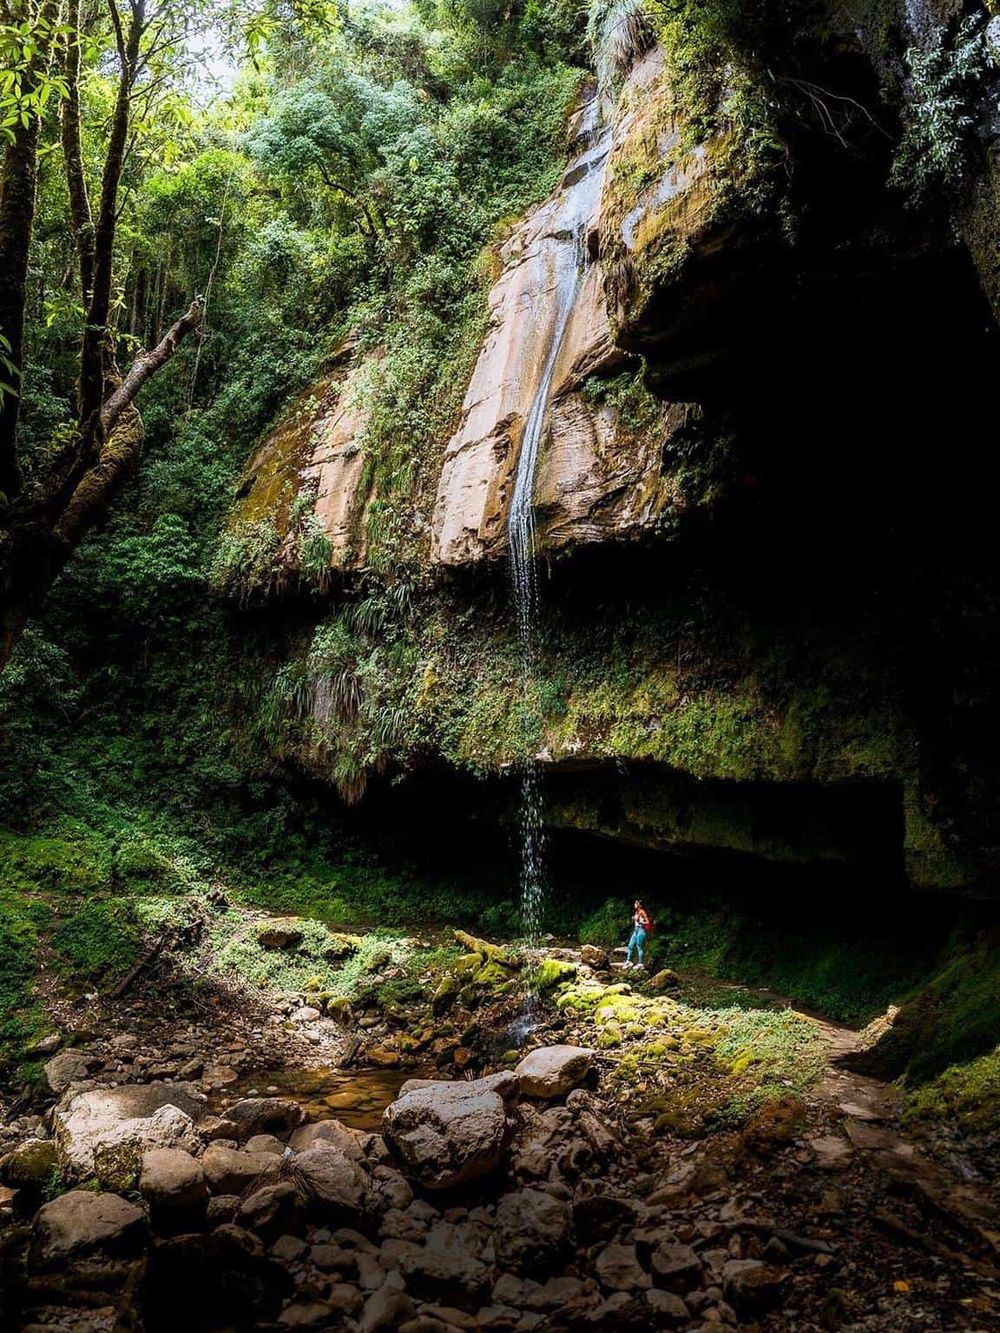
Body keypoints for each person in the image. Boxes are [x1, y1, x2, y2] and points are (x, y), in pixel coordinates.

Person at [626, 899, 652, 968]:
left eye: (636, 903)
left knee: (639, 946)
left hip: (641, 930)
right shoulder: (636, 912)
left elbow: (648, 922)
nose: (634, 904)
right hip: (636, 930)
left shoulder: (642, 912)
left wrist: (641, 922)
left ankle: (640, 964)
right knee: (630, 945)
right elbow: (636, 920)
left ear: (639, 905)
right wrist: (634, 918)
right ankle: (628, 961)